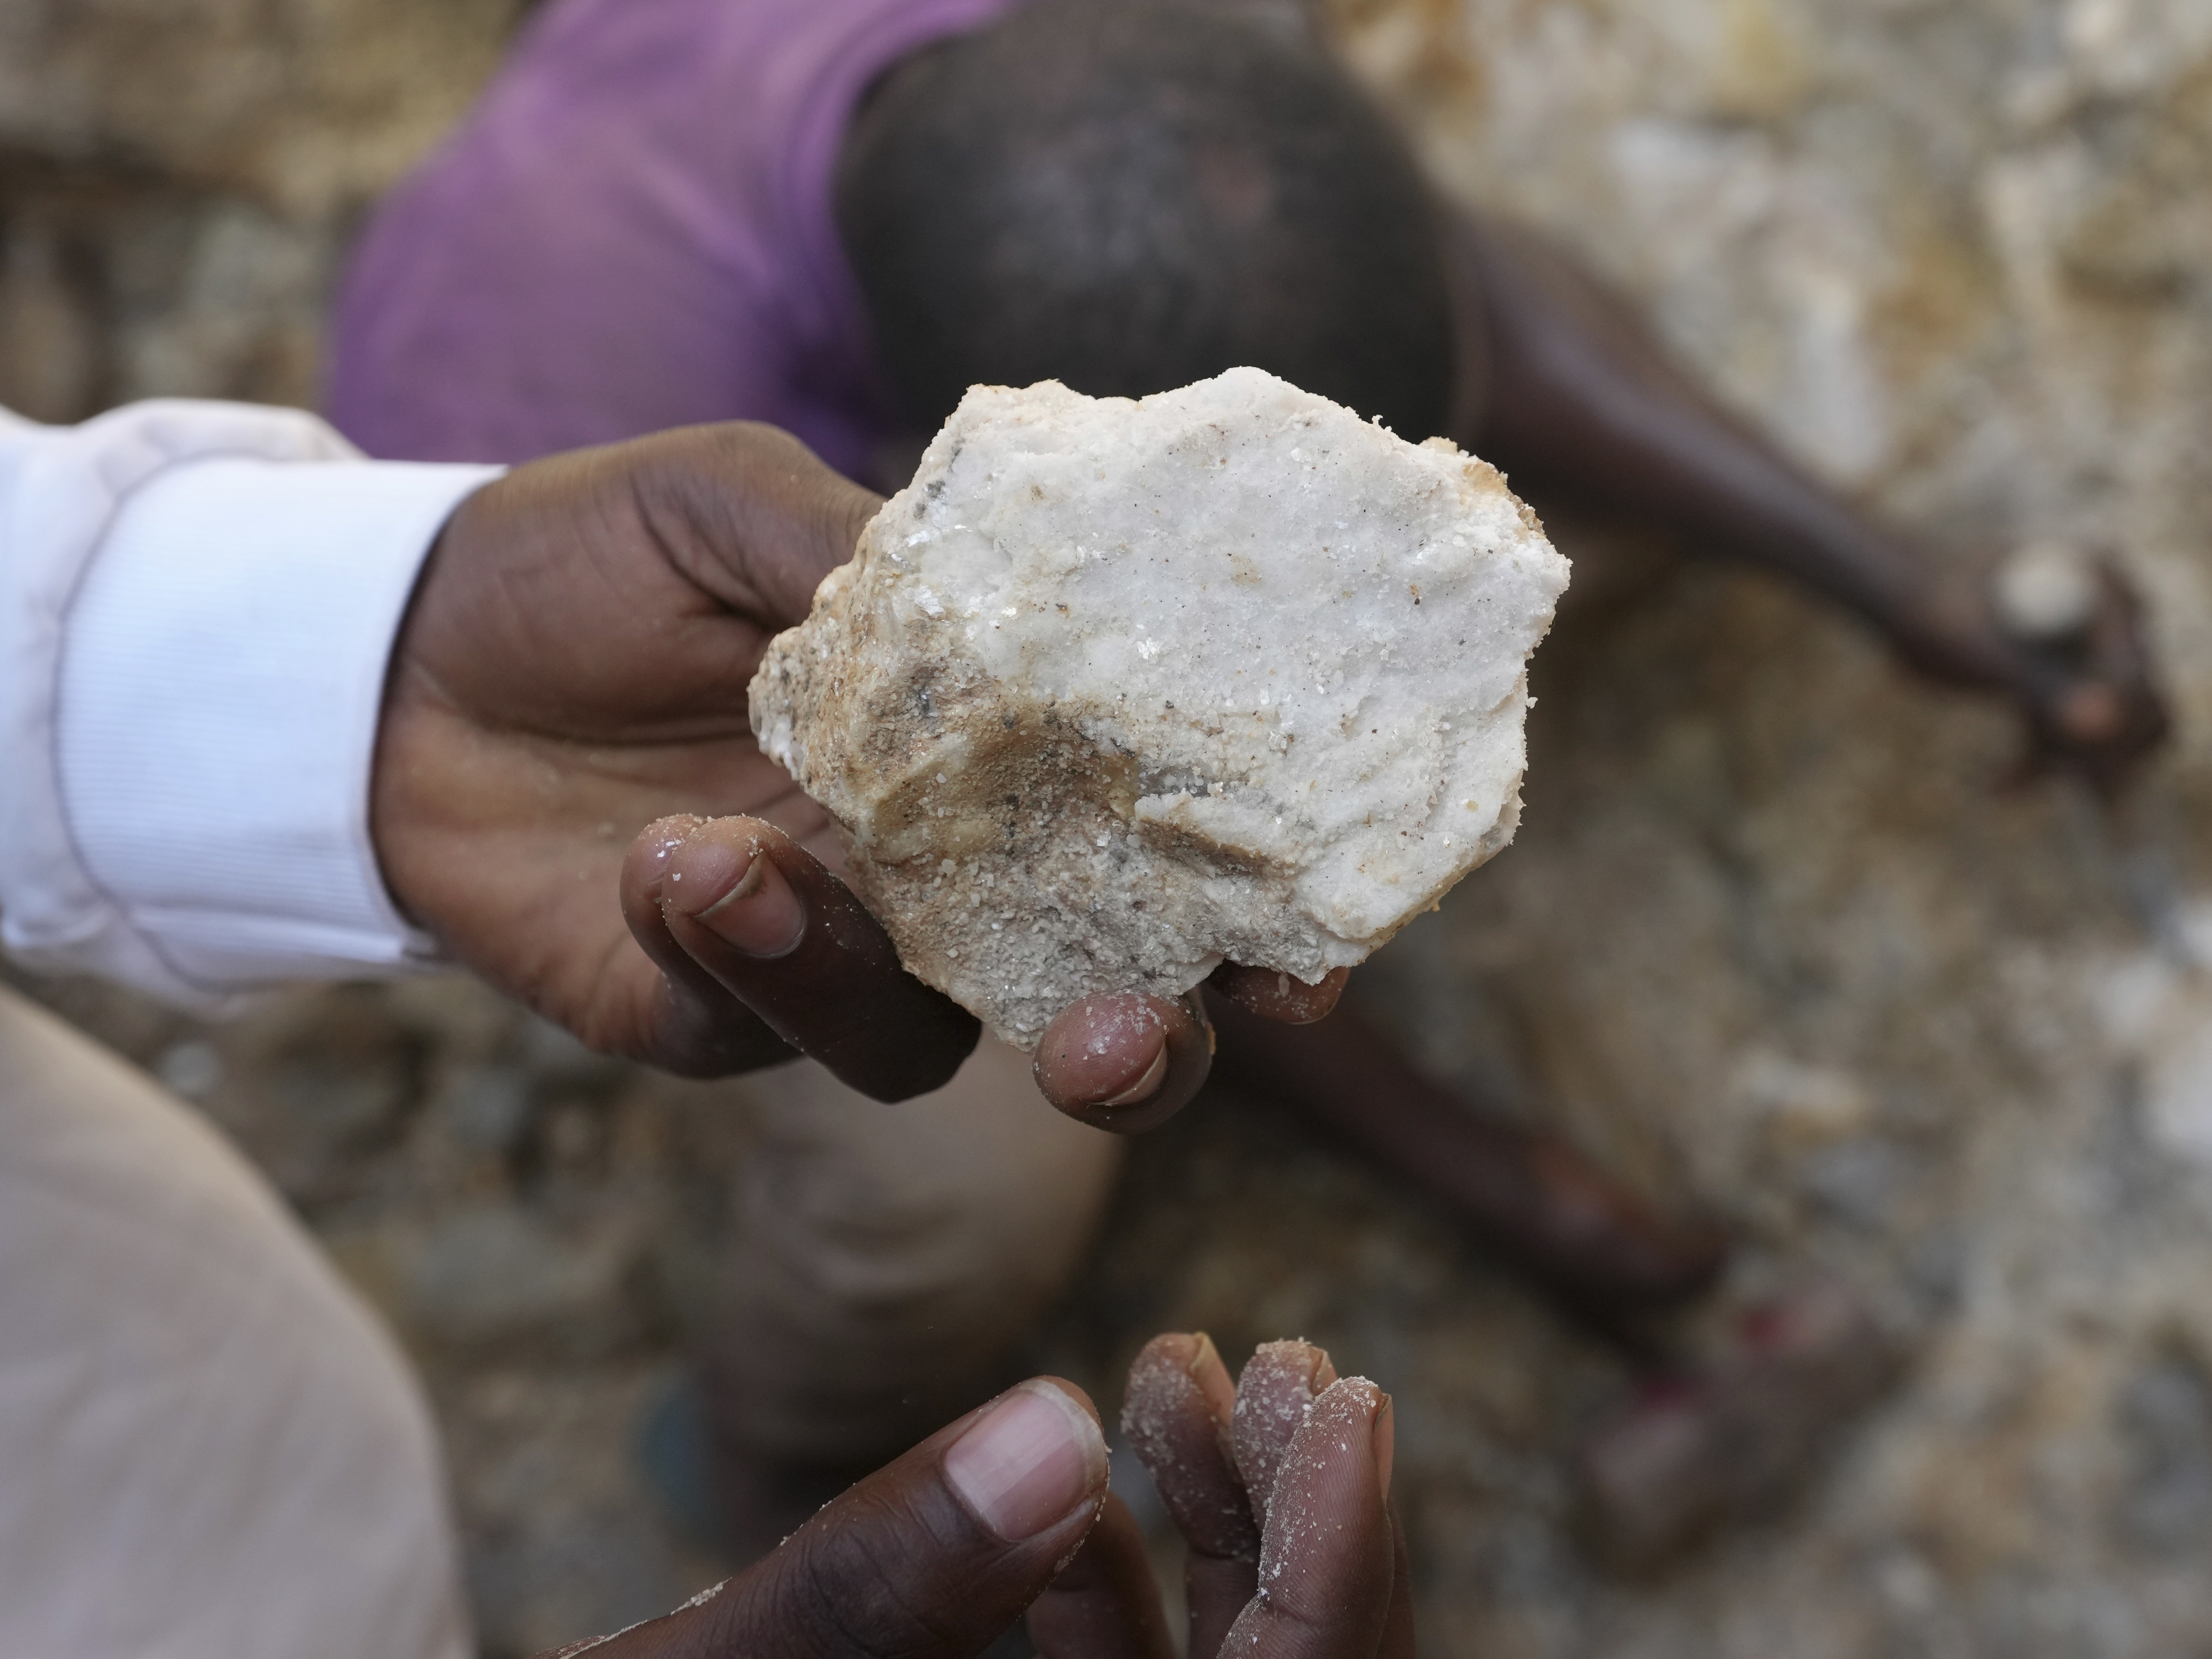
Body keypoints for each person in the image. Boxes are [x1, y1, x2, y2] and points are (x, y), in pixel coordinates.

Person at [328, 0, 2170, 1560]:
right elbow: (1057, 880)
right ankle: (762, 1450)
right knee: (964, 1168)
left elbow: (1464, 284)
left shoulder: (1138, 105)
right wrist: (1507, 1186)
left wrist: (1887, 575)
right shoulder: (578, 473)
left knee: (1511, 483)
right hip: (670, 712)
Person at [0, 398, 1328, 1655]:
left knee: (290, 1509)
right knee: (950, 1182)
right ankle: (752, 1464)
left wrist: (353, 679)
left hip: (166, 1387)